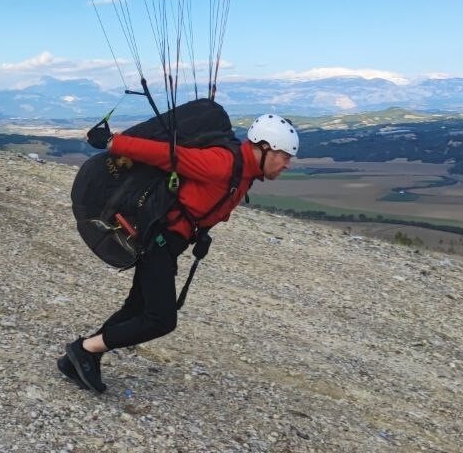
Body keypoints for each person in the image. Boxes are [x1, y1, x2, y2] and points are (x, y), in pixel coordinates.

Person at [58, 112, 299, 393]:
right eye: (284, 155)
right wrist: (114, 141)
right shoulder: (224, 164)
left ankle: (75, 361)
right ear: (265, 147)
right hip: (157, 238)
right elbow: (168, 155)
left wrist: (202, 230)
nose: (287, 164)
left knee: (137, 307)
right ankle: (85, 350)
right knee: (161, 319)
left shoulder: (245, 173)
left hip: (169, 242)